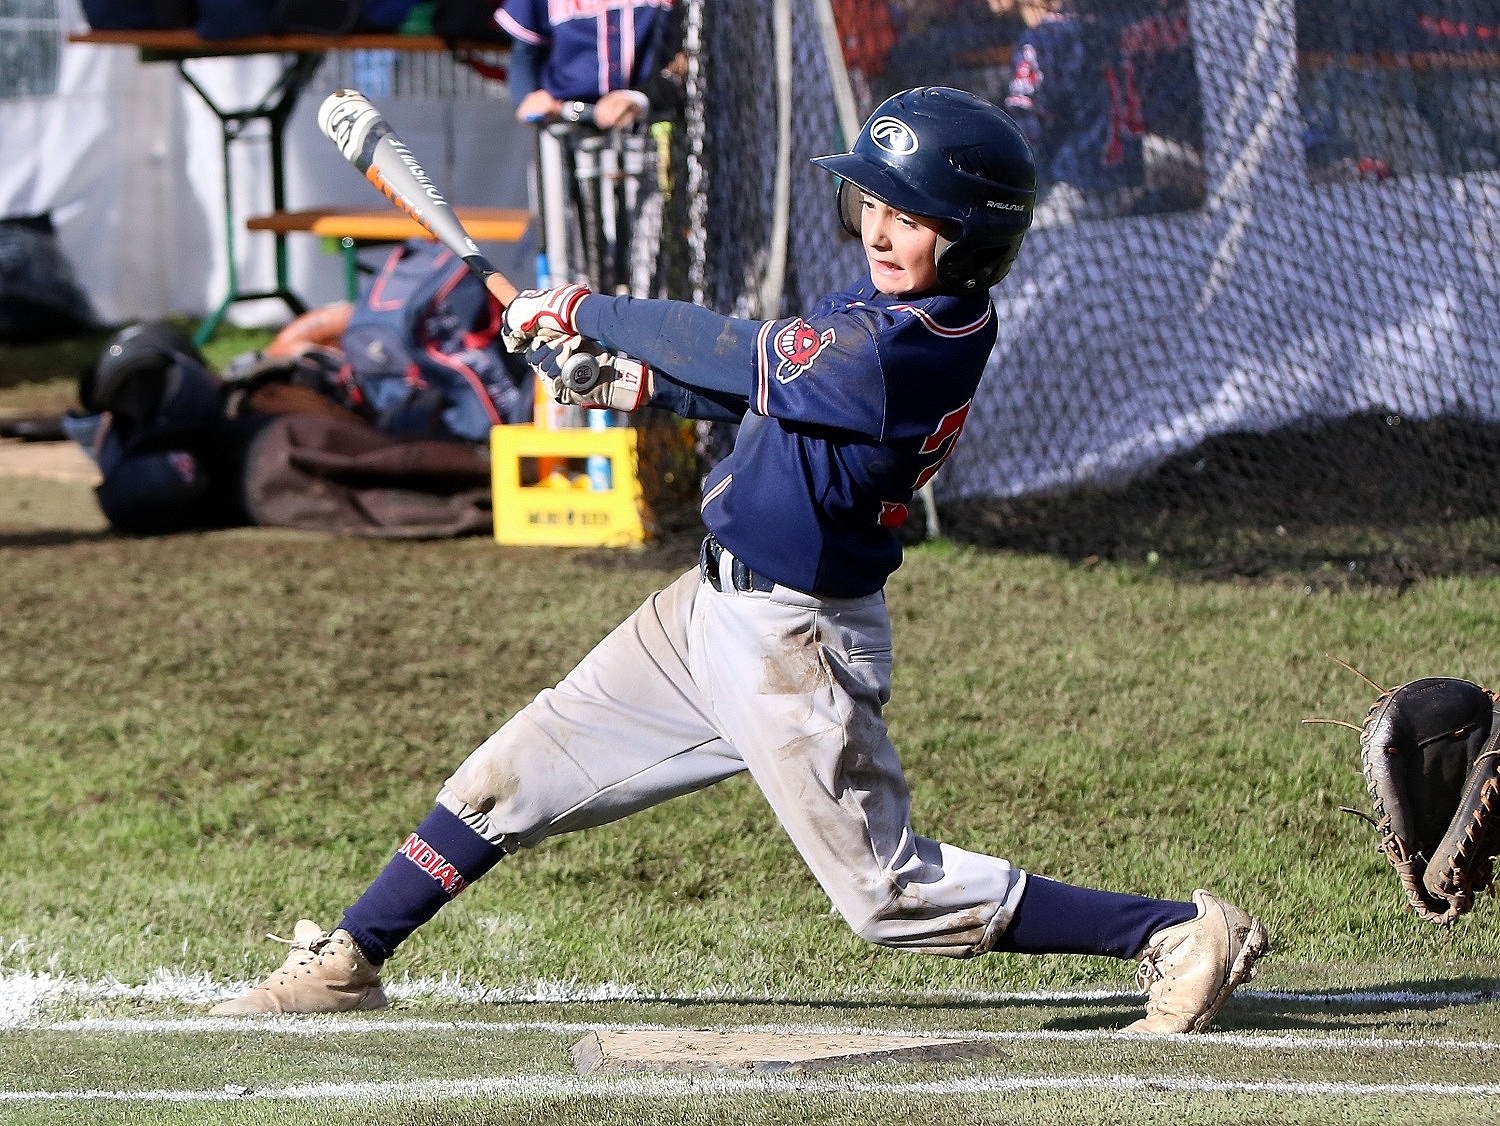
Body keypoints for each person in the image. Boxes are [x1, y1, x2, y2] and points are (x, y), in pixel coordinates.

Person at [207, 87, 1268, 1034]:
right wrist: (629, 383)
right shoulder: (886, 309)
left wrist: (586, 309)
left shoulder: (912, 343)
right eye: (874, 206)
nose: (882, 231)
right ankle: (351, 958)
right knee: (505, 777)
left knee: (888, 896)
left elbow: (739, 350)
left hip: (795, 644)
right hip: (705, 615)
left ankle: (1173, 933)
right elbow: (762, 391)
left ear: (973, 238)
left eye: (912, 218)